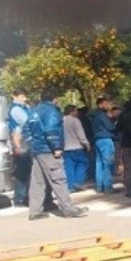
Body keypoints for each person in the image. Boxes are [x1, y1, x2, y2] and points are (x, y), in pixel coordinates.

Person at [22, 89, 88, 220]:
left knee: (37, 182)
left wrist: (33, 143)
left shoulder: (34, 111)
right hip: (48, 150)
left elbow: (25, 129)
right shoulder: (52, 111)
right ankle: (68, 209)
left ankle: (35, 211)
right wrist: (56, 147)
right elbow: (51, 130)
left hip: (37, 151)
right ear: (54, 98)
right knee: (58, 179)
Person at [7, 88, 32, 206]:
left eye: (24, 96)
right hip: (21, 143)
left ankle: (24, 197)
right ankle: (20, 198)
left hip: (24, 141)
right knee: (22, 172)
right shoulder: (16, 109)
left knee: (26, 171)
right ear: (14, 96)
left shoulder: (25, 108)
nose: (24, 99)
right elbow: (27, 122)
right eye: (22, 96)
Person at [88, 97, 117, 193]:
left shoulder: (93, 115)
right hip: (105, 139)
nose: (107, 106)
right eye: (105, 104)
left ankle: (99, 186)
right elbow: (110, 127)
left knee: (99, 163)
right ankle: (108, 186)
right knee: (108, 163)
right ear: (100, 105)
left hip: (97, 140)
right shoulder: (102, 115)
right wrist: (113, 120)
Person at [62, 104, 90, 192]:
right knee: (84, 163)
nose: (77, 112)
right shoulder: (75, 120)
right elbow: (80, 134)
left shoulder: (60, 120)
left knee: (68, 167)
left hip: (65, 148)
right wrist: (86, 144)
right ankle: (78, 181)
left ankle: (70, 186)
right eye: (75, 110)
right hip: (76, 147)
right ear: (72, 111)